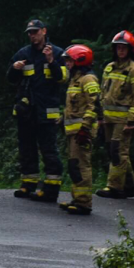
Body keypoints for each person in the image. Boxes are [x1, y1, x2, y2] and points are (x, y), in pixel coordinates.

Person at [7, 19, 68, 203]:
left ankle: (50, 189)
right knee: (27, 149)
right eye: (29, 32)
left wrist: (51, 62)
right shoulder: (23, 53)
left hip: (47, 112)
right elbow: (10, 79)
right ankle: (28, 184)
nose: (32, 35)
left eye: (35, 32)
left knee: (49, 150)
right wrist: (15, 69)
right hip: (26, 111)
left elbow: (64, 78)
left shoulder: (57, 53)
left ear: (44, 31)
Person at [97, 30, 134, 199]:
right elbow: (102, 93)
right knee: (114, 152)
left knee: (118, 151)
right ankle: (130, 186)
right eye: (118, 47)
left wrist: (132, 121)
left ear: (130, 49)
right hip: (108, 118)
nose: (121, 50)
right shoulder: (109, 68)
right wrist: (101, 117)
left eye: (124, 47)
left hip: (123, 120)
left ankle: (114, 187)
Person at [58, 45, 100, 216]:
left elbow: (94, 105)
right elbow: (73, 107)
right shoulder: (75, 79)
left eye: (69, 60)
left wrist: (85, 127)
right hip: (73, 132)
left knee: (82, 166)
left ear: (79, 60)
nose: (67, 64)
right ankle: (77, 198)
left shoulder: (88, 80)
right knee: (74, 166)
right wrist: (62, 120)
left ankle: (84, 203)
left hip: (82, 132)